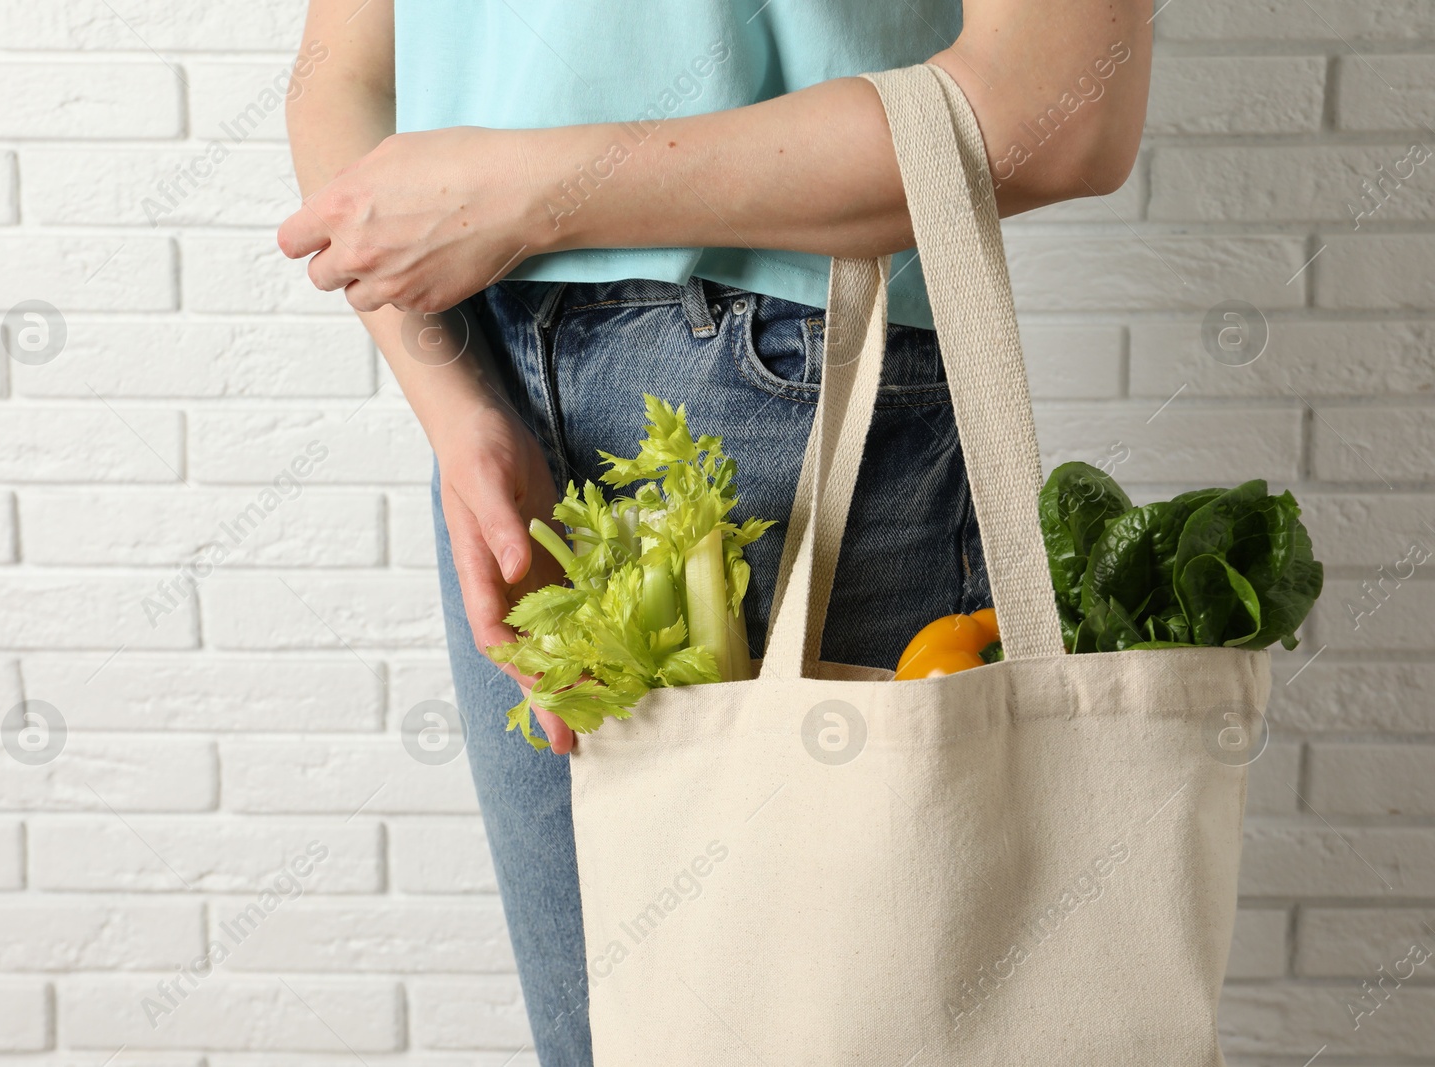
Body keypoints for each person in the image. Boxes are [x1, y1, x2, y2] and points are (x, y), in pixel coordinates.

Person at [280, 1, 1150, 1061]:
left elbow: (1060, 112)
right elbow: (345, 72)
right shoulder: (471, 414)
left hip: (801, 389)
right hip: (487, 390)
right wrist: (456, 408)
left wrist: (518, 195)